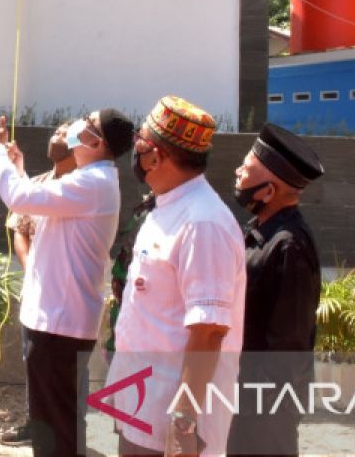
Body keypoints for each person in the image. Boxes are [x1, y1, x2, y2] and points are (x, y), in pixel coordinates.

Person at [0, 110, 132, 457]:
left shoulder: (92, 183)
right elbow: (34, 209)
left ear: (96, 142)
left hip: (59, 324)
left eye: (88, 122)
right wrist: (17, 167)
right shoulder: (89, 180)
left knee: (57, 432)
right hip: (56, 320)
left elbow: (19, 199)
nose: (77, 125)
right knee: (52, 427)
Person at [106, 96, 246, 457]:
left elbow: (209, 330)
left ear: (156, 155)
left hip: (168, 414)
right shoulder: (167, 205)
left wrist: (184, 420)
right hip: (142, 400)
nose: (134, 153)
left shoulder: (203, 223)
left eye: (140, 143)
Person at [226, 124, 324, 457]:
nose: (238, 173)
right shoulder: (261, 231)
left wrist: (261, 409)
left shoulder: (289, 246)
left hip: (265, 404)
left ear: (268, 191)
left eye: (247, 169)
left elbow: (287, 343)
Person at [0, 121, 78, 448]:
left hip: (69, 304)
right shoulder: (38, 183)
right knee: (34, 362)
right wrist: (32, 267)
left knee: (67, 378)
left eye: (64, 132)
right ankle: (37, 423)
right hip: (37, 295)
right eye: (55, 130)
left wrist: (0, 158)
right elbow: (20, 228)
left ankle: (69, 434)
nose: (55, 136)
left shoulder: (81, 188)